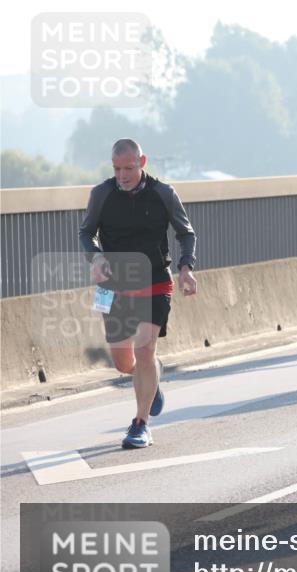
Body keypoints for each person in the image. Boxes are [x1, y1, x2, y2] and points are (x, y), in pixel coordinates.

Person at [79, 138, 198, 448]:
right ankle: (151, 374)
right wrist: (96, 258)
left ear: (142, 162)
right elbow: (86, 233)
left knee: (144, 349)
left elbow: (185, 233)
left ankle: (140, 424)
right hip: (112, 286)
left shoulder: (164, 194)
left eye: (128, 168)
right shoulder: (101, 194)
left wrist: (186, 268)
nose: (122, 176)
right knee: (123, 363)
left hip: (155, 281)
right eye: (117, 169)